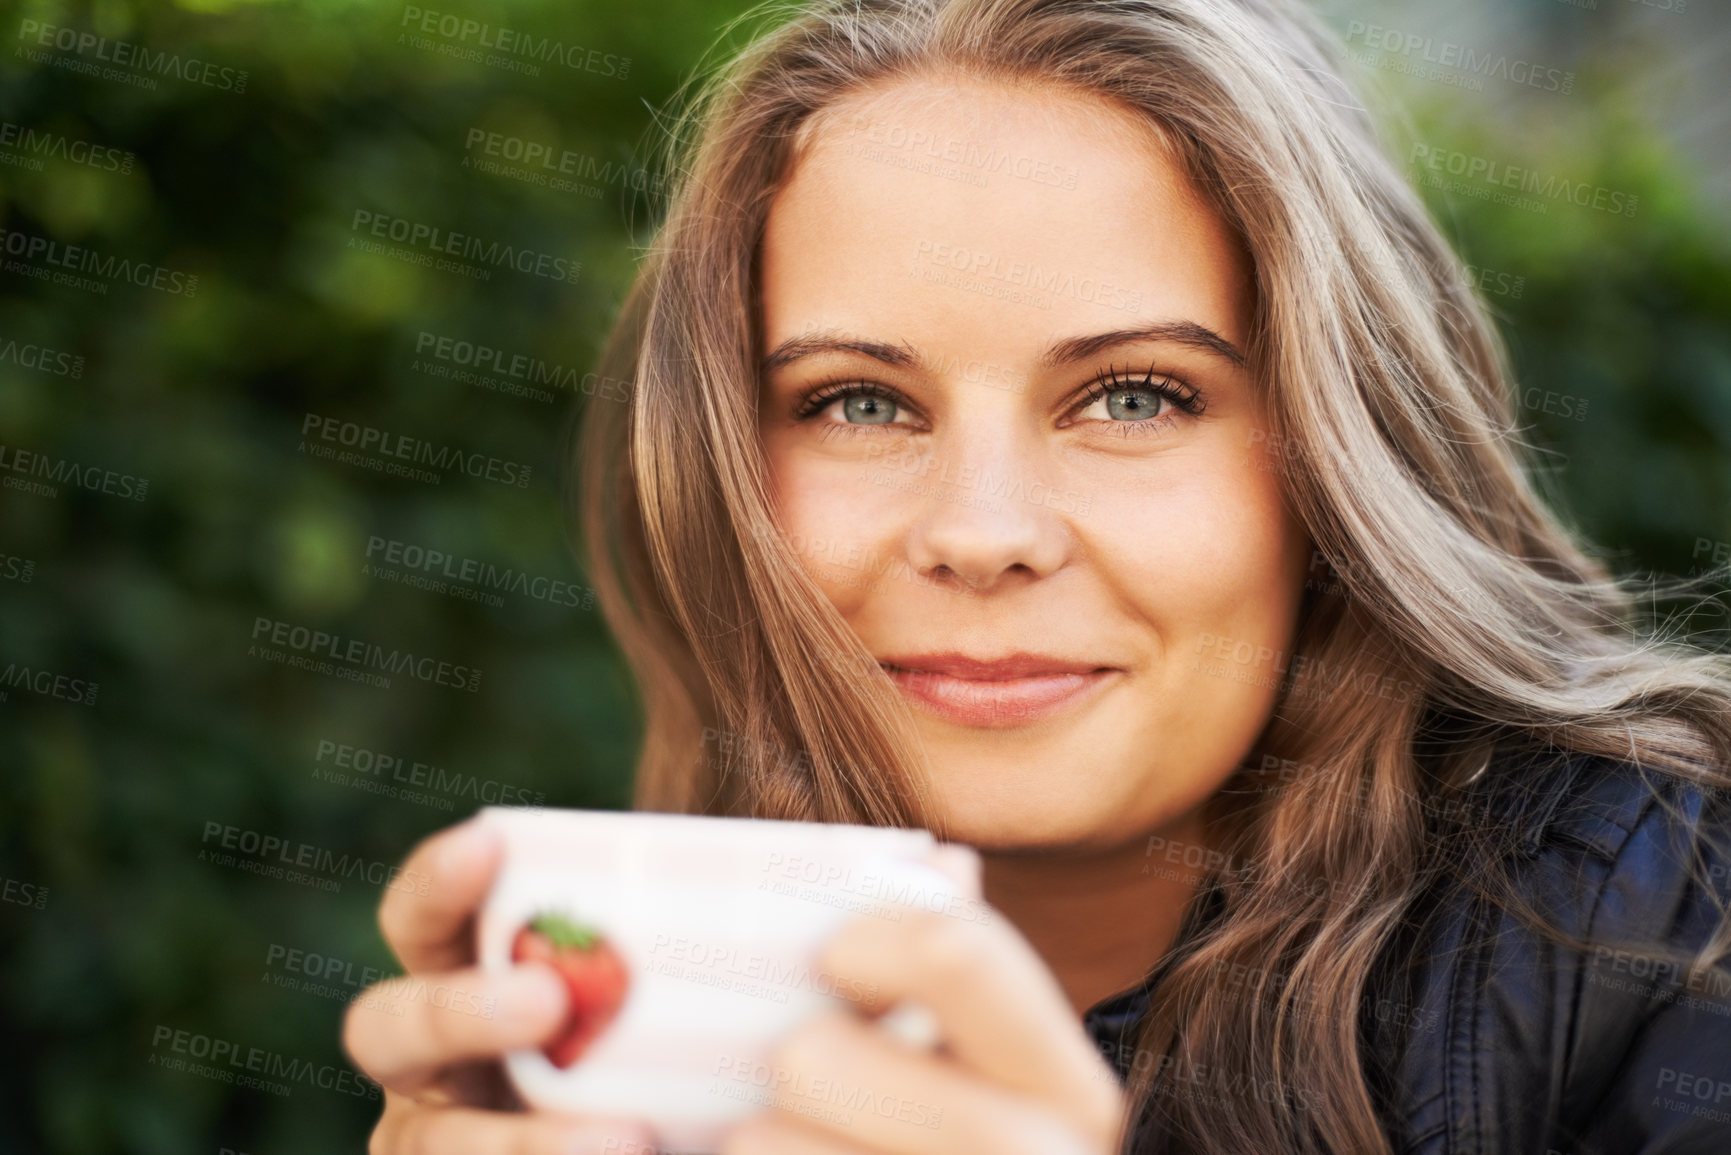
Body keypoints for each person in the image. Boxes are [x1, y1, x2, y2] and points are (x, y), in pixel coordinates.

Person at [342, 0, 1731, 1151]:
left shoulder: (1663, 917)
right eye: (858, 404)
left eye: (1136, 397)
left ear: (1338, 458)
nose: (982, 532)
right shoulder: (670, 996)